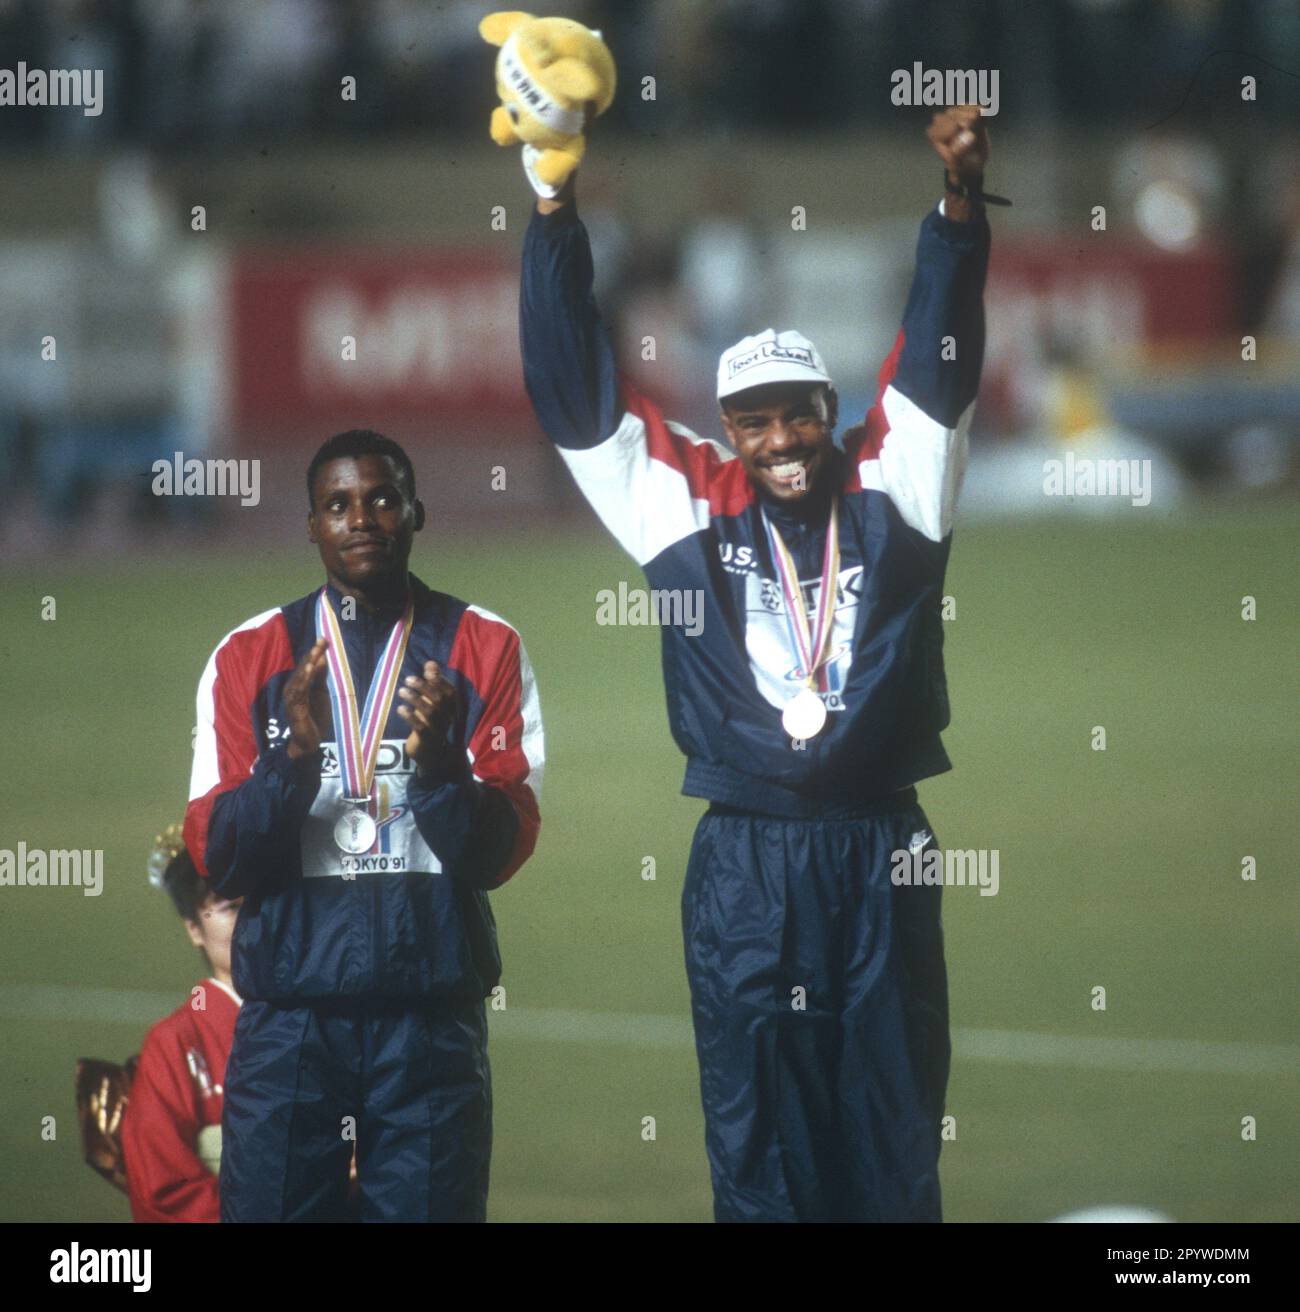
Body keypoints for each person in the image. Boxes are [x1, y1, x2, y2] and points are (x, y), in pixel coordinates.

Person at [516, 105, 995, 1221]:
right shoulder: (679, 502)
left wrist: (958, 211)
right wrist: (551, 205)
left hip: (882, 848)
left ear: (834, 413)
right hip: (744, 862)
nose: (779, 440)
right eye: (753, 422)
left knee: (891, 1140)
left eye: (797, 416)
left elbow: (940, 345)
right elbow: (570, 384)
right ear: (725, 429)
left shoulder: (899, 488)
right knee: (760, 1148)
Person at [183, 429, 544, 1222]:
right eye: (337, 505)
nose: (362, 519)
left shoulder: (483, 646)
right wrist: (292, 762)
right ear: (311, 525)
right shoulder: (249, 657)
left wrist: (444, 767)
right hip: (290, 1028)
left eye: (382, 499)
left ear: (417, 512)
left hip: (430, 1024)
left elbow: (500, 851)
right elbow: (218, 855)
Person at [118, 824, 242, 1223]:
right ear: (194, 929)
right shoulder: (174, 1042)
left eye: (265, 901)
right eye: (231, 907)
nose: (255, 919)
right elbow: (163, 1190)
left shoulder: (322, 1018)